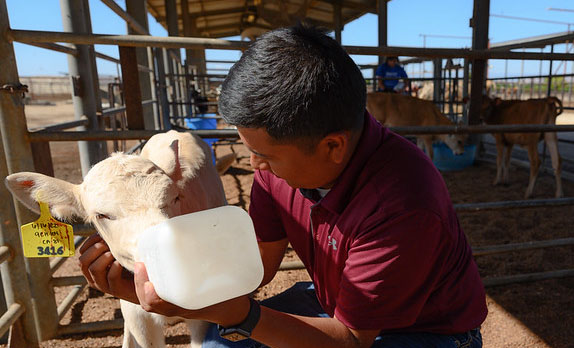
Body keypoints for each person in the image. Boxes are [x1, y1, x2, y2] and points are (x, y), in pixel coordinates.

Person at [78, 25, 487, 348]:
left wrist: (238, 315)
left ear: (332, 146)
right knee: (219, 346)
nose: (256, 165)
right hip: (336, 302)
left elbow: (349, 341)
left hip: (429, 331)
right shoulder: (280, 172)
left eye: (266, 155)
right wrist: (175, 283)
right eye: (250, 150)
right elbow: (256, 265)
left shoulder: (402, 204)